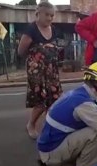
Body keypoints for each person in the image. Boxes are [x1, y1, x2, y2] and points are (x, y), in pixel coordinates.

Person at [18, 1, 63, 139]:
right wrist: (36, 57)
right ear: (38, 14)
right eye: (47, 15)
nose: (49, 18)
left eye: (52, 15)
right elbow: (21, 51)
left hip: (52, 70)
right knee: (41, 102)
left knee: (54, 100)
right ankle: (31, 124)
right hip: (37, 71)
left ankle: (49, 127)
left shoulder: (54, 30)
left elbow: (57, 47)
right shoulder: (31, 29)